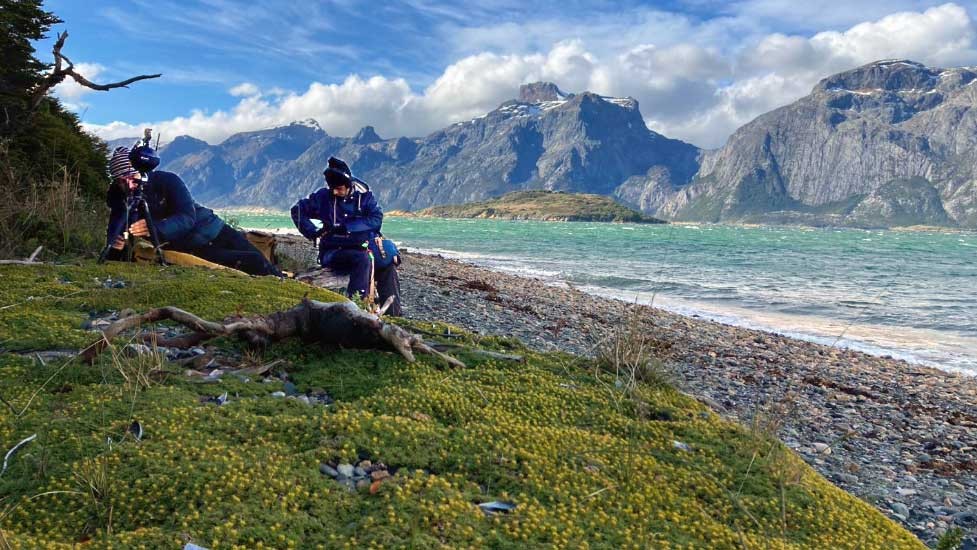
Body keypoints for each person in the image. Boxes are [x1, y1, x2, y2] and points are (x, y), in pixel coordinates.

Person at [105, 146, 282, 277]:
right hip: (193, 246)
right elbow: (117, 238)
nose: (128, 185)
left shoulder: (168, 181)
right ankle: (278, 285)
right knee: (253, 262)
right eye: (122, 181)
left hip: (216, 230)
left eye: (132, 177)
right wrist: (116, 249)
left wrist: (155, 229)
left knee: (262, 262)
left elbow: (186, 217)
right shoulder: (120, 199)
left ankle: (282, 282)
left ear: (142, 172)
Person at [291, 156, 402, 315]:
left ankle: (394, 315)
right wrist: (313, 233)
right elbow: (298, 210)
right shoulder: (323, 197)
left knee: (387, 266)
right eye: (333, 189)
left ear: (349, 185)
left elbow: (376, 219)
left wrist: (348, 228)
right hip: (333, 251)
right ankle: (355, 311)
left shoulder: (364, 197)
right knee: (362, 259)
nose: (335, 192)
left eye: (339, 188)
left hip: (363, 245)